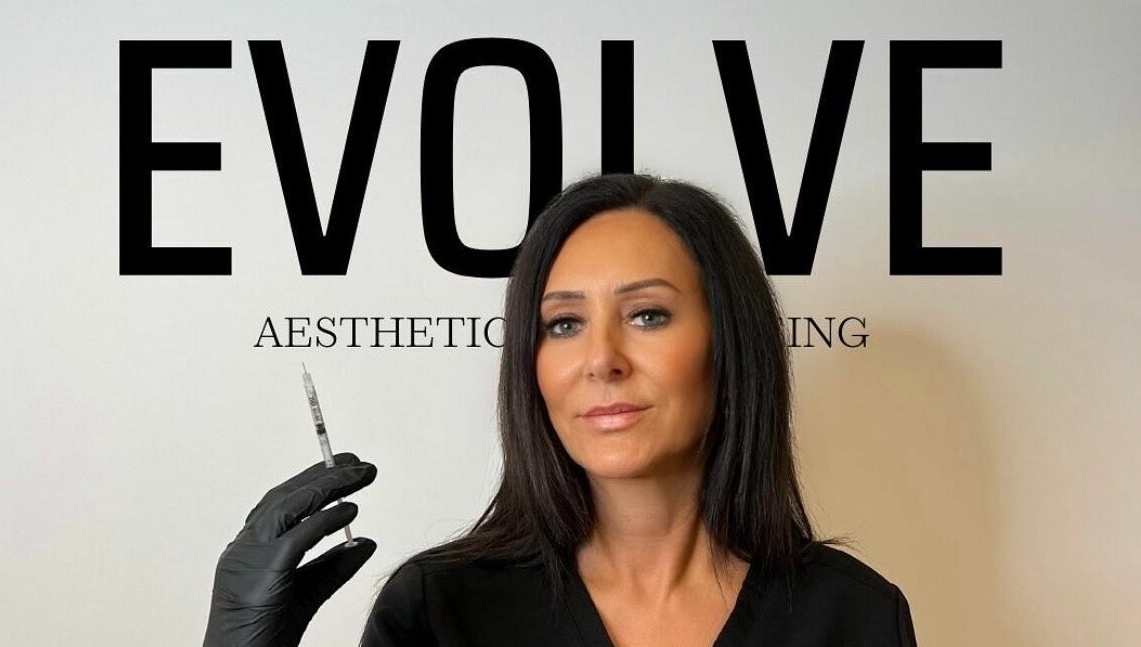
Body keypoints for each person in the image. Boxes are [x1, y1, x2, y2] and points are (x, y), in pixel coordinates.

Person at [203, 174, 918, 647]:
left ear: (728, 344)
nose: (600, 359)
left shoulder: (853, 618)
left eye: (647, 315)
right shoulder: (439, 611)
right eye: (564, 324)